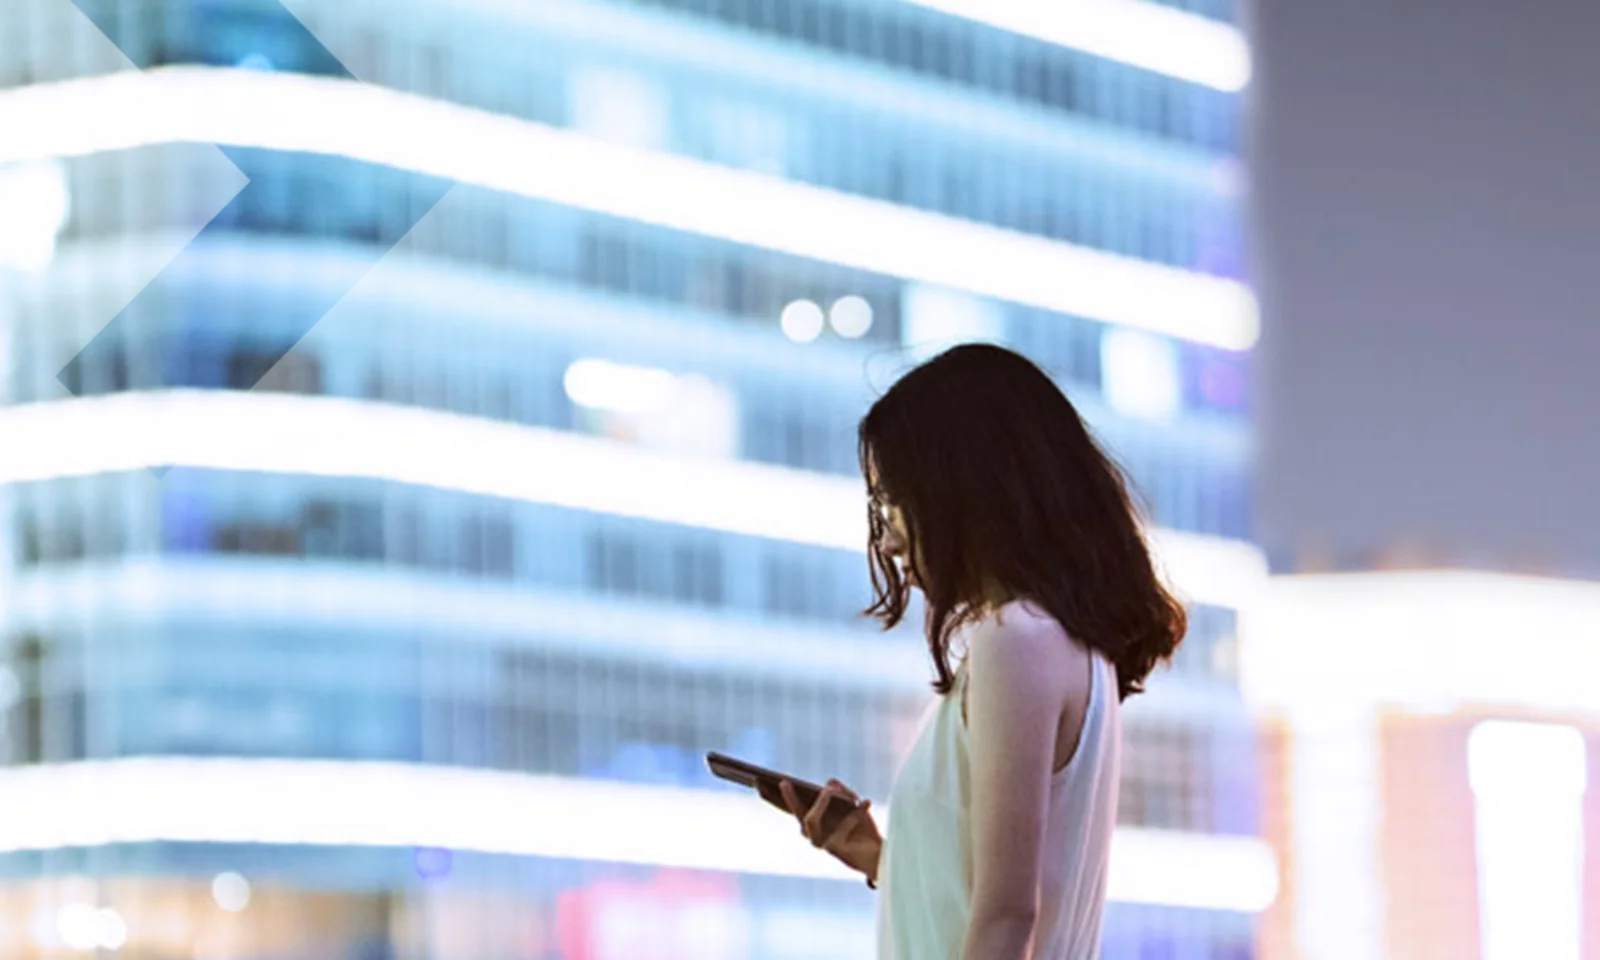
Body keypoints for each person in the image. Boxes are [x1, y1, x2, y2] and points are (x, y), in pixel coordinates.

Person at [778, 343, 1187, 960]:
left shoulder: (1017, 640)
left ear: (958, 490)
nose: (886, 539)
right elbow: (999, 903)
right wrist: (872, 853)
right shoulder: (1065, 644)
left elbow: (1007, 916)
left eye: (892, 501)